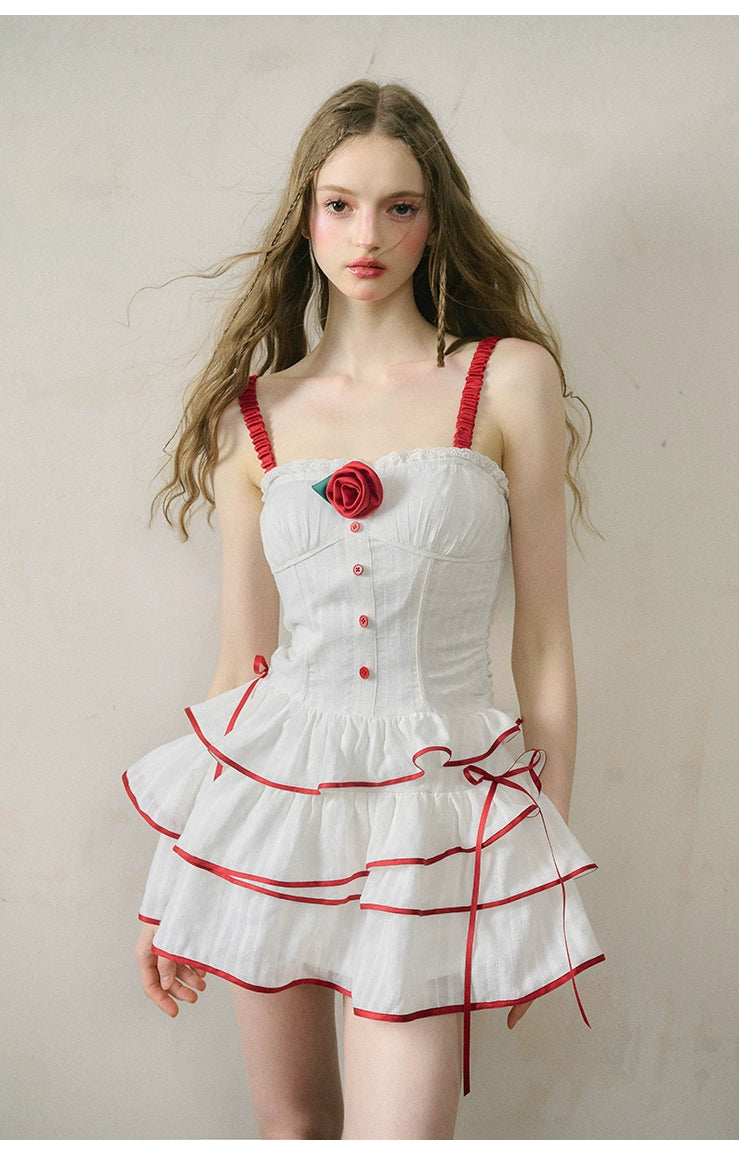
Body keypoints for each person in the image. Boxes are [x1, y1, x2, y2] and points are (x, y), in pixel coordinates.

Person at [124, 79, 604, 1140]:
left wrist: (541, 856)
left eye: (400, 206)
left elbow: (543, 642)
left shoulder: (506, 380)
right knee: (293, 1128)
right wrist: (176, 880)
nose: (368, 235)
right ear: (305, 216)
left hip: (433, 810)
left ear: (436, 219)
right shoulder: (251, 417)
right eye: (340, 204)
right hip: (276, 807)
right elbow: (239, 669)